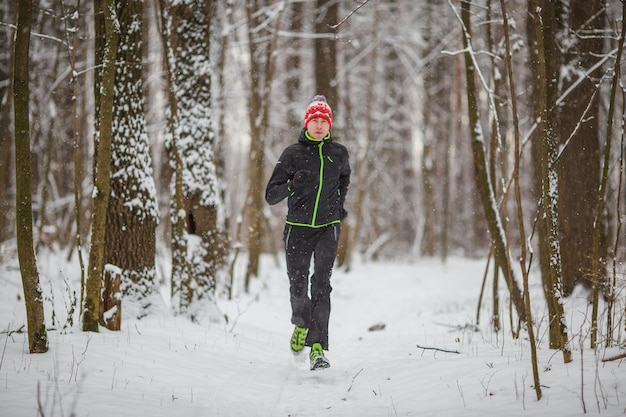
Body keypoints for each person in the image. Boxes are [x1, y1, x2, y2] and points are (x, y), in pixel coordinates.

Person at [265, 95, 351, 370]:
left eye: (323, 121)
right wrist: (293, 184)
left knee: (322, 285)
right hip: (298, 229)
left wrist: (339, 206)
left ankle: (317, 347)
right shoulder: (292, 154)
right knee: (299, 286)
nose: (318, 125)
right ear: (306, 123)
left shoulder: (339, 153)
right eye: (314, 120)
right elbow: (270, 195)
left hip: (327, 228)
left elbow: (343, 180)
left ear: (329, 125)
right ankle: (300, 324)